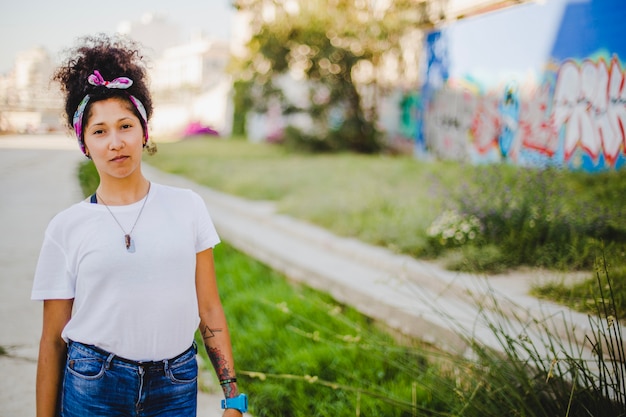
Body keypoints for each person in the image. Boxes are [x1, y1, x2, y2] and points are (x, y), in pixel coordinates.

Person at [31, 34, 247, 417]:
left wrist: (233, 398)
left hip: (175, 384)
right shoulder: (65, 228)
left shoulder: (188, 207)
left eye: (125, 126)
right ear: (85, 144)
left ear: (144, 131)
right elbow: (51, 342)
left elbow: (210, 308)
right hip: (93, 384)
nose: (115, 142)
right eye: (99, 131)